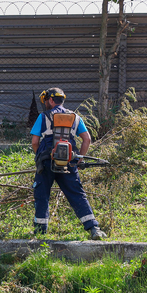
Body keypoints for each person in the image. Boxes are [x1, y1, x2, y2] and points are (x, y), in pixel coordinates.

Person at [31, 87, 107, 240]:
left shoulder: (43, 117)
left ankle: (40, 233)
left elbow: (34, 142)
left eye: (46, 101)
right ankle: (94, 228)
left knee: (42, 195)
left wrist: (41, 156)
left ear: (51, 100)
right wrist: (79, 159)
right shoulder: (75, 117)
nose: (45, 104)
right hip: (69, 162)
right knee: (77, 194)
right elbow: (87, 139)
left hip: (46, 163)